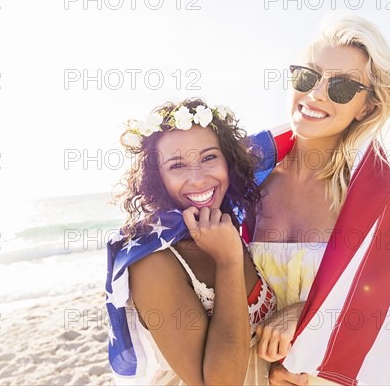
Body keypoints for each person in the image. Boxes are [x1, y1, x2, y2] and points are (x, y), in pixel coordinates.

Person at [249, 15, 390, 385]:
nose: (316, 94)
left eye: (343, 88)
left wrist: (310, 315)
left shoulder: (371, 199)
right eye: (307, 76)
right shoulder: (243, 183)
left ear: (365, 107)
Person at [105, 98, 277, 385]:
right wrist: (228, 261)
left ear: (229, 161)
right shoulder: (152, 262)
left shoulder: (233, 226)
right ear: (156, 177)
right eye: (177, 165)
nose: (197, 179)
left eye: (209, 157)